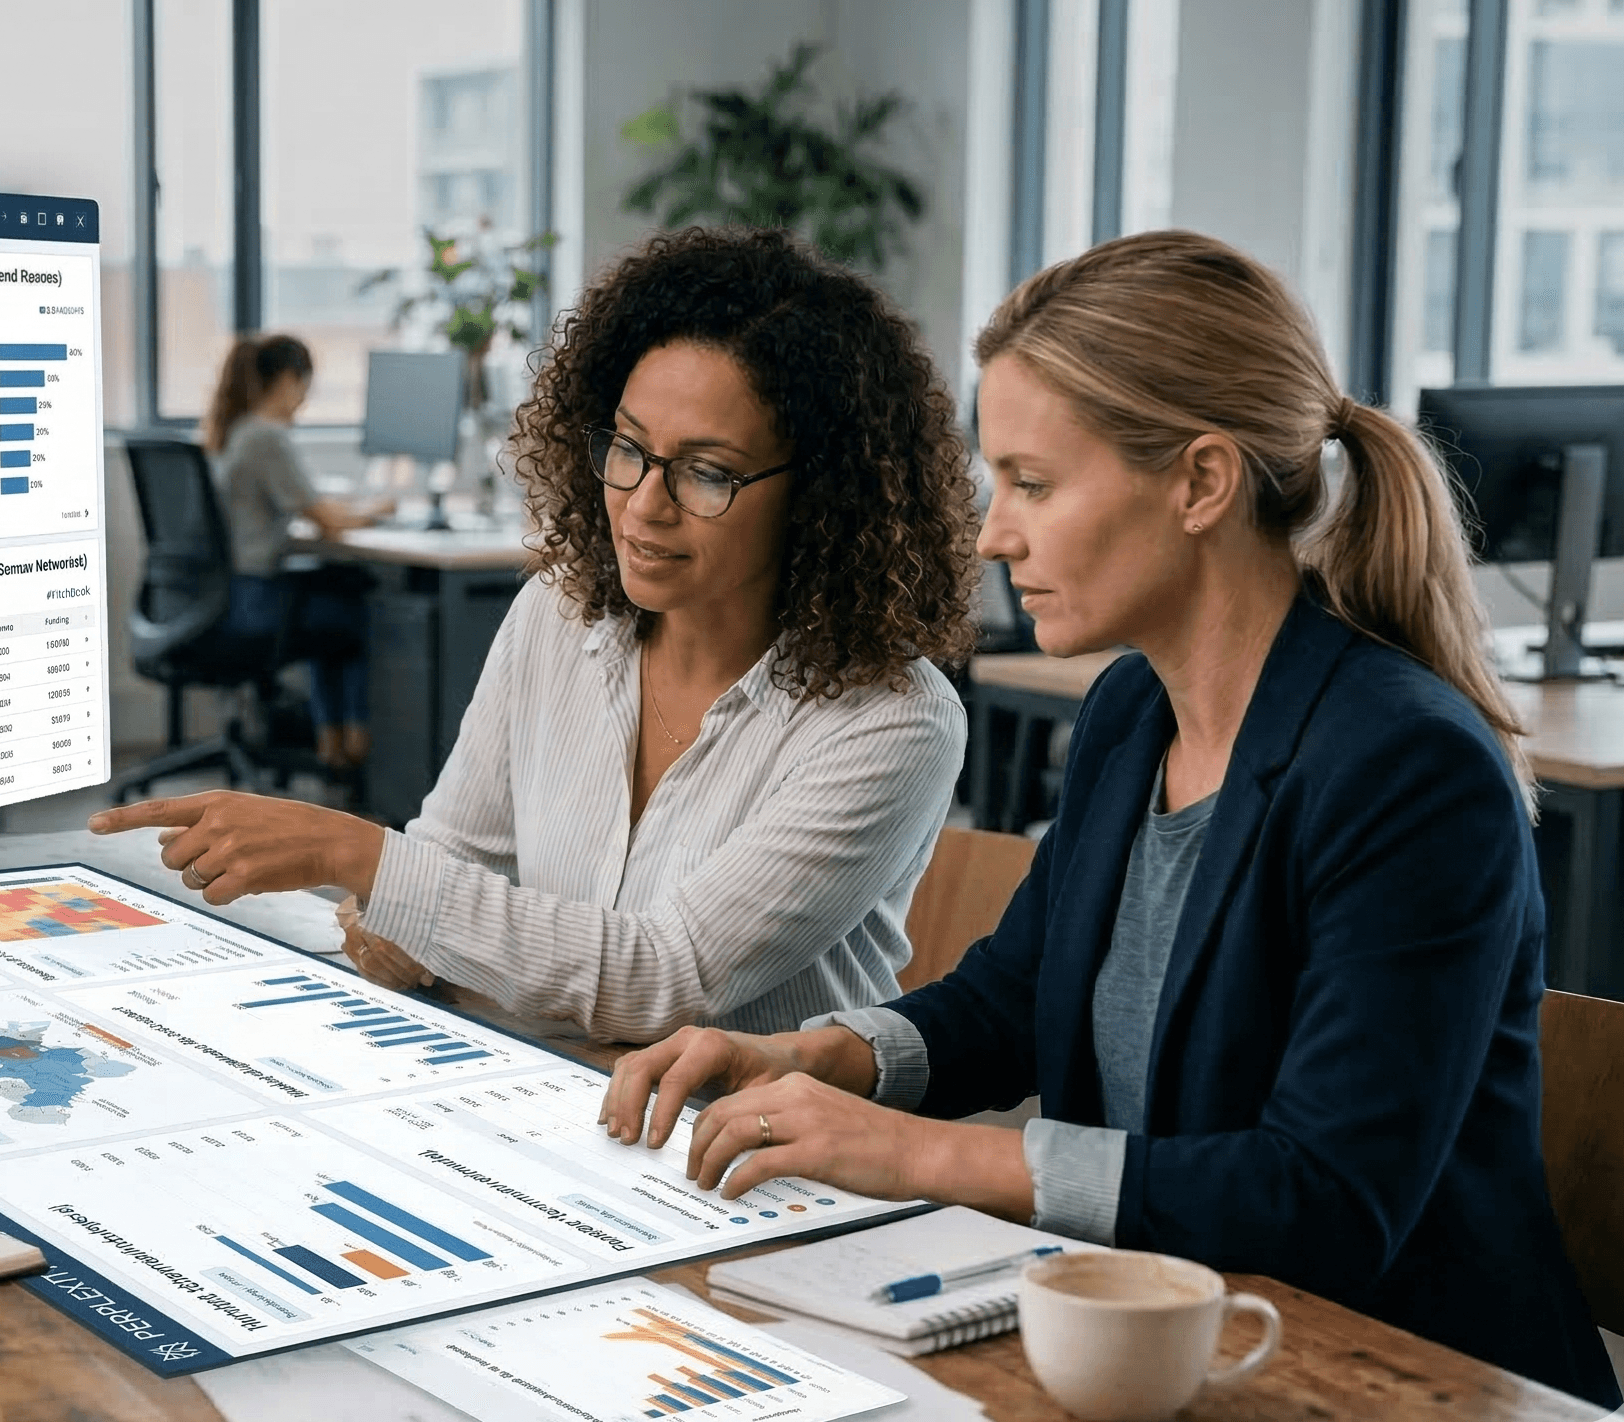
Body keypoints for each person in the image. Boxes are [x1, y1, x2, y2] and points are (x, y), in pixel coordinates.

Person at [599, 230, 1621, 1406]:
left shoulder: (1404, 768)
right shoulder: (1137, 708)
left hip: (1401, 1395)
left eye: (1032, 483)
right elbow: (1015, 1000)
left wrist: (926, 1156)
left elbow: (1325, 1201)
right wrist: (816, 1054)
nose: (992, 532)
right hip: (1162, 1348)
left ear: (1198, 482)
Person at [93, 226, 977, 1042]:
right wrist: (404, 915)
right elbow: (450, 857)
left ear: (823, 497)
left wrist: (355, 856)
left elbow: (660, 980)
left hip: (757, 1160)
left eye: (708, 472)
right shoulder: (559, 616)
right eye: (627, 447)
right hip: (555, 1095)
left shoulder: (891, 719)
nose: (642, 506)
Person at [204, 334, 385, 767]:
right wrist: (382, 508)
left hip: (230, 595)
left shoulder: (236, 431)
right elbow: (328, 520)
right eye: (305, 388)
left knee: (331, 604)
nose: (304, 402)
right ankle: (352, 744)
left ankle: (331, 741)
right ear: (288, 380)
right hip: (256, 599)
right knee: (352, 612)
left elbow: (307, 508)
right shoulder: (266, 438)